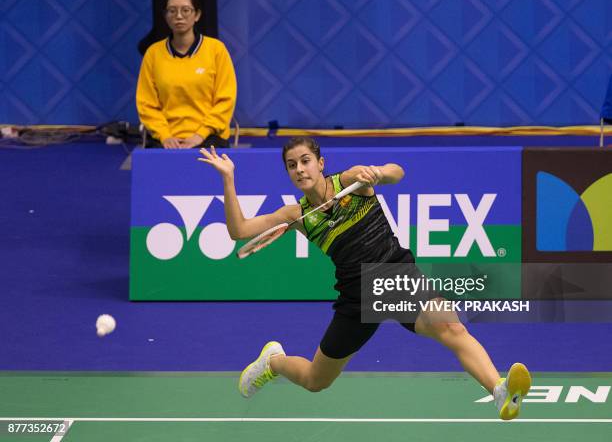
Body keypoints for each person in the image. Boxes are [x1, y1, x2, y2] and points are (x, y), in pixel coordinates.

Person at [198, 137, 531, 420]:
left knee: (451, 327)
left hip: (396, 275)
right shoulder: (297, 215)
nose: (300, 169)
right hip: (357, 297)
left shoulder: (351, 181)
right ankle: (274, 361)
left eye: (305, 161)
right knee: (317, 380)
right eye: (291, 165)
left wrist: (380, 173)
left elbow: (397, 172)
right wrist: (228, 178)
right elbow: (238, 231)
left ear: (320, 163)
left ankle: (499, 391)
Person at [136, 0, 237, 149]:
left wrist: (200, 135)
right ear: (165, 16)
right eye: (172, 11)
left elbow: (226, 100)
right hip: (166, 140)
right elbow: (146, 103)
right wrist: (165, 136)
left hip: (209, 137)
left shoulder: (217, 50)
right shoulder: (153, 53)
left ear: (197, 15)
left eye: (186, 10)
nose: (179, 16)